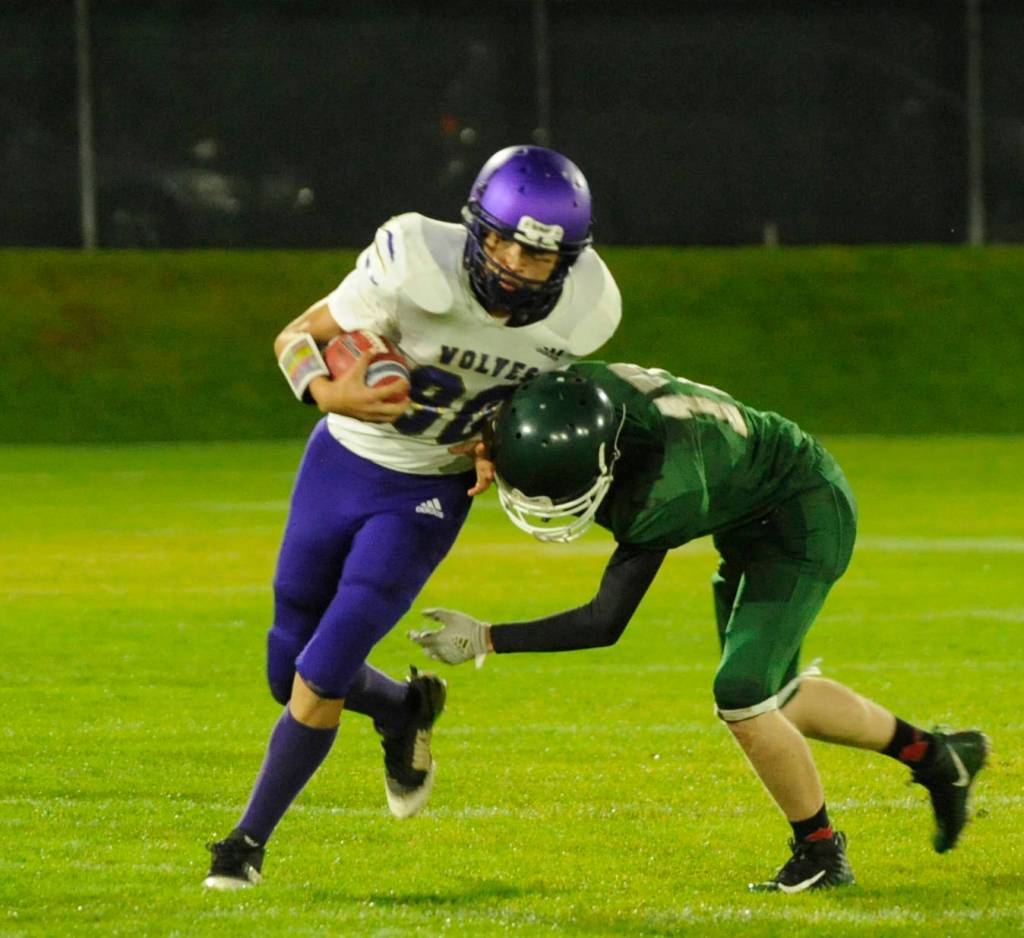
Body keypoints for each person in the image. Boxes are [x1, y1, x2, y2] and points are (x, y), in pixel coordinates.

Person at [202, 147, 621, 889]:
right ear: (475, 229)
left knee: (324, 668)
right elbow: (295, 336)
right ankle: (403, 709)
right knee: (286, 667)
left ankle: (245, 844)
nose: (518, 265)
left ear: (570, 259)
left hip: (428, 492)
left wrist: (503, 446)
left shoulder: (587, 314)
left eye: (540, 253)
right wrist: (330, 395)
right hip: (340, 458)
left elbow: (533, 406)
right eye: (504, 241)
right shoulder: (410, 261)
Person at [409, 363, 989, 893]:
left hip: (801, 518)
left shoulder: (670, 486)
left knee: (741, 696)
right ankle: (938, 757)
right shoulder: (580, 395)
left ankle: (820, 852)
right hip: (750, 512)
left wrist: (488, 637)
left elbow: (604, 620)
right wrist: (495, 441)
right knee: (776, 699)